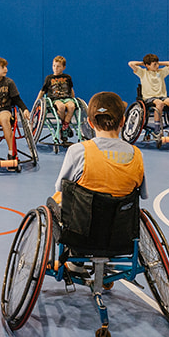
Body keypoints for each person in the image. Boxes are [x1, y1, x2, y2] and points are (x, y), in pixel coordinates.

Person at [48, 91, 146, 243]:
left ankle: (73, 255)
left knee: (54, 202)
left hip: (81, 233)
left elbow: (60, 187)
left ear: (90, 122)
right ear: (122, 121)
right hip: (120, 235)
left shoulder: (77, 151)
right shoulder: (136, 154)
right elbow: (143, 194)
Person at [129, 54, 169, 130]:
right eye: (155, 64)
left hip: (162, 97)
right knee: (160, 103)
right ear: (147, 65)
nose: (157, 66)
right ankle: (157, 129)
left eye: (157, 64)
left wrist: (158, 63)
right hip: (149, 98)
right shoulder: (143, 73)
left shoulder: (161, 72)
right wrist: (143, 64)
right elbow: (131, 63)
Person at [39, 55, 79, 138]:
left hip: (67, 98)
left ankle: (64, 126)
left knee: (71, 106)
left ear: (64, 67)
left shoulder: (67, 77)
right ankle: (65, 126)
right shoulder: (49, 78)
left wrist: (73, 98)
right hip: (55, 99)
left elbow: (71, 89)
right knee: (61, 107)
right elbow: (42, 91)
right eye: (54, 66)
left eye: (58, 66)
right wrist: (38, 101)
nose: (55, 68)